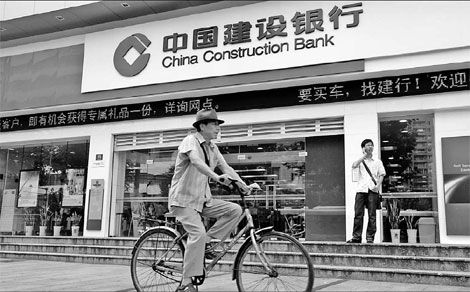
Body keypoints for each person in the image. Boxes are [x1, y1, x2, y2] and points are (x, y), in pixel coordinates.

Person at [168, 108, 250, 292]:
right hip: (183, 200)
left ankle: (208, 243)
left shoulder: (212, 147)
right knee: (197, 234)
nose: (218, 128)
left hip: (202, 200)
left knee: (235, 210)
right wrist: (215, 176)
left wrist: (244, 185)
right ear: (202, 126)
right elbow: (196, 161)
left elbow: (226, 167)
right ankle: (186, 282)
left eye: (218, 125)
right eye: (214, 124)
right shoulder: (191, 140)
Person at [347, 139, 386, 244]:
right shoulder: (360, 161)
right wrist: (363, 156)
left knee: (372, 215)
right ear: (363, 148)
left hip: (372, 190)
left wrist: (378, 186)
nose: (370, 147)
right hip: (361, 189)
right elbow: (354, 165)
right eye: (368, 145)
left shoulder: (377, 161)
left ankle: (370, 237)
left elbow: (382, 174)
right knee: (358, 214)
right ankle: (356, 237)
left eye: (372, 145)